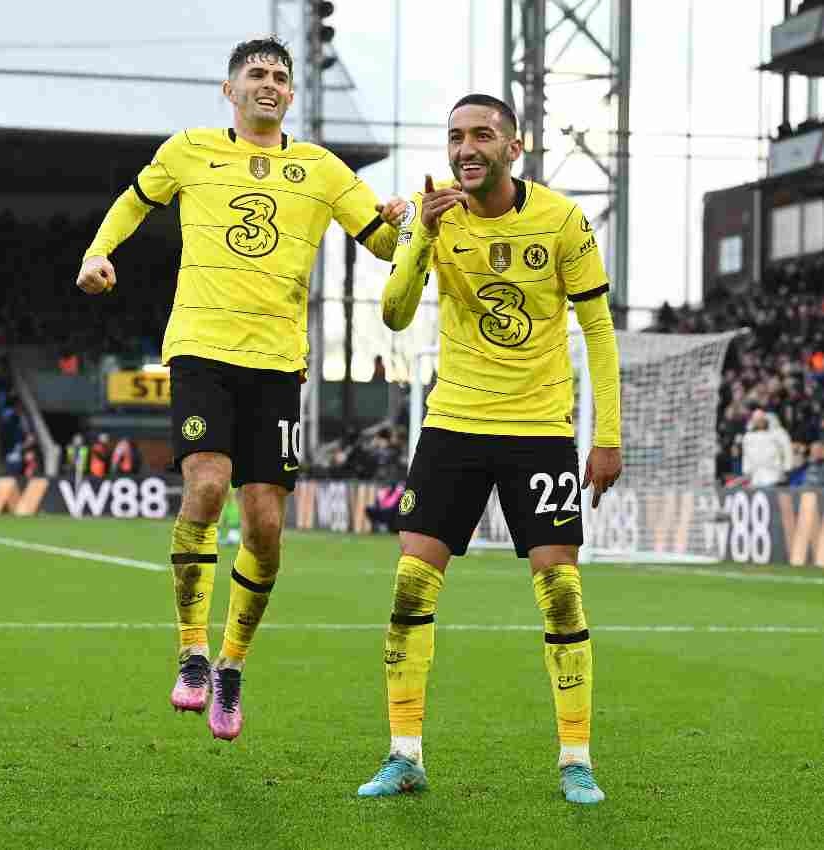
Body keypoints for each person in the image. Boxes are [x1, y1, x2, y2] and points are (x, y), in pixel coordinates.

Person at [76, 36, 405, 742]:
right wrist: (97, 252)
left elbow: (379, 241)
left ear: (290, 95)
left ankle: (231, 665)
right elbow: (134, 204)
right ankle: (192, 652)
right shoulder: (190, 149)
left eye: (280, 76)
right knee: (205, 486)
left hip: (278, 365)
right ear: (231, 91)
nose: (270, 82)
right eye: (256, 73)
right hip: (200, 347)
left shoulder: (320, 168)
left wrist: (411, 226)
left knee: (264, 526)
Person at [357, 94, 621, 804]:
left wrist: (607, 435)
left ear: (513, 146)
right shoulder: (436, 218)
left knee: (561, 592)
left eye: (481, 135)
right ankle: (403, 753)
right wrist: (419, 238)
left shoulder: (563, 220)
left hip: (539, 429)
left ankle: (576, 759)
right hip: (454, 423)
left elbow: (598, 330)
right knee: (411, 585)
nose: (465, 148)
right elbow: (393, 313)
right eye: (454, 137)